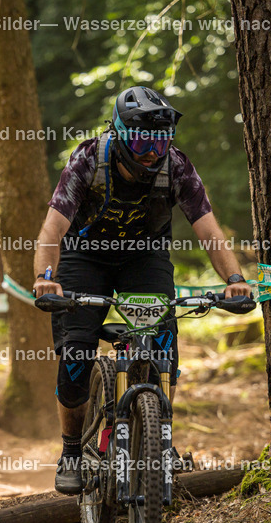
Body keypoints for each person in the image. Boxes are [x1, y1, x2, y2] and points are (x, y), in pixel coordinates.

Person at [33, 85, 252, 495]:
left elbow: (209, 230)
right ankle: (70, 452)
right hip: (85, 256)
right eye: (141, 139)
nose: (152, 150)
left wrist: (235, 281)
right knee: (77, 352)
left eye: (161, 139)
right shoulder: (88, 160)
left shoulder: (177, 166)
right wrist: (47, 276)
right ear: (118, 133)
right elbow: (52, 229)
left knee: (162, 346)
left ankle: (160, 439)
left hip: (143, 258)